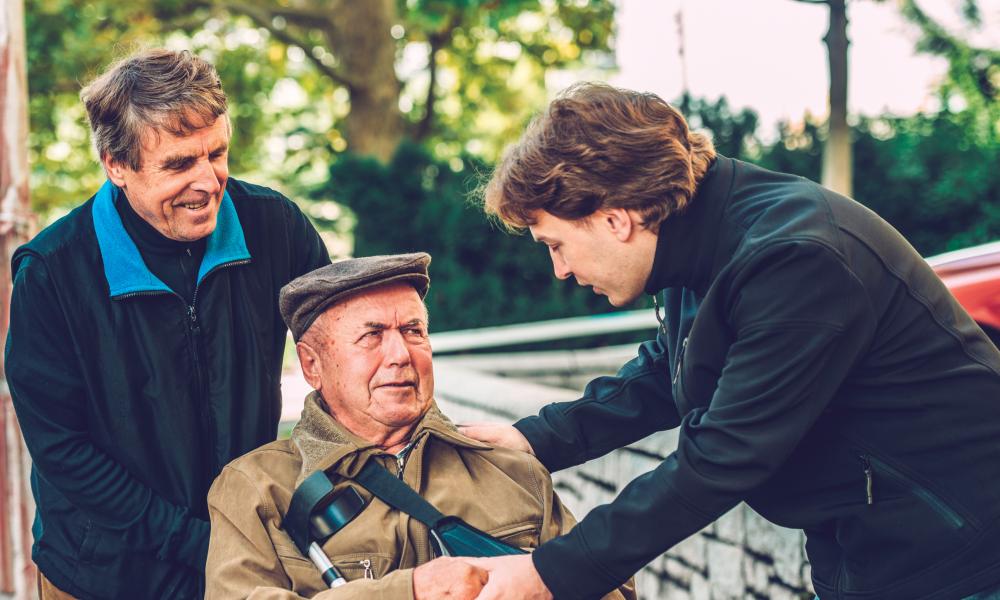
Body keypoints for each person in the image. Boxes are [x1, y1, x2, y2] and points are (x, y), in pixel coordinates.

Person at [459, 82, 1000, 600]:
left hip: (962, 553)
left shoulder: (795, 258)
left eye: (556, 244)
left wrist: (551, 573)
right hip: (875, 550)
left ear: (613, 219)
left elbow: (723, 456)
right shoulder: (696, 236)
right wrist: (531, 441)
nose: (559, 270)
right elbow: (667, 370)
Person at [4, 49, 330, 599]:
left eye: (217, 153)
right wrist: (202, 543)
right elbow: (62, 451)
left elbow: (346, 361)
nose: (208, 181)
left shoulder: (277, 227)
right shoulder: (52, 273)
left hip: (244, 564)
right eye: (179, 164)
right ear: (116, 165)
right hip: (102, 576)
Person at [204, 253, 634, 600]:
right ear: (312, 365)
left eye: (414, 331)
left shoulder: (512, 470)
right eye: (372, 335)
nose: (400, 355)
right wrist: (409, 591)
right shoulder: (258, 488)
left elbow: (604, 587)